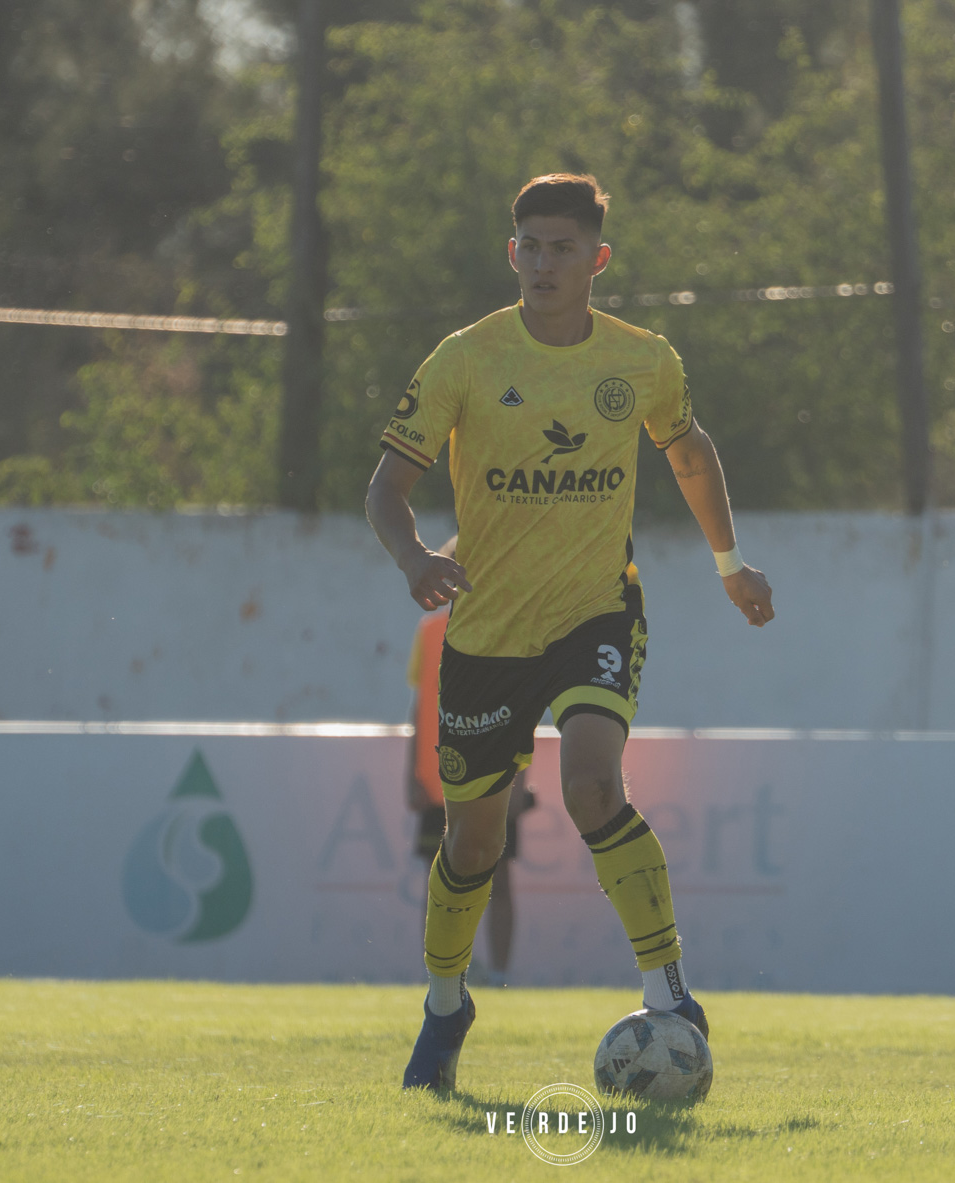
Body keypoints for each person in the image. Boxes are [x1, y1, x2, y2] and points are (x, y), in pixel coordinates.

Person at [366, 173, 775, 1091]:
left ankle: (668, 993)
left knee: (594, 783)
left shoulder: (643, 361)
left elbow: (690, 451)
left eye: (561, 248)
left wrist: (729, 564)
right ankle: (444, 1006)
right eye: (529, 247)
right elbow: (384, 488)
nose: (543, 264)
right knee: (473, 842)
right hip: (485, 631)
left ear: (598, 259)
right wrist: (415, 558)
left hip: (596, 608)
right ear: (512, 254)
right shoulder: (464, 359)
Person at [404, 559, 536, 988]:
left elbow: (525, 709)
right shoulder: (429, 632)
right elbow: (420, 705)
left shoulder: (511, 627)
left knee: (497, 878)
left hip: (495, 774)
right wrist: (412, 770)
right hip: (437, 780)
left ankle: (498, 976)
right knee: (437, 878)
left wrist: (521, 780)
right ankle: (442, 976)